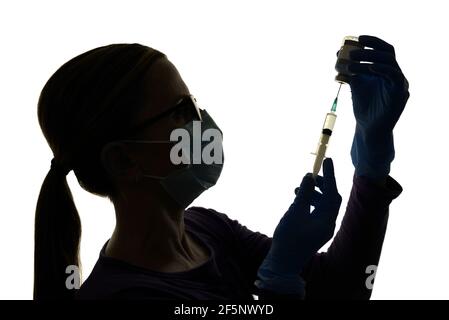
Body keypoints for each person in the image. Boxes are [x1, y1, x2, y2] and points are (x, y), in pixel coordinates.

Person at [34, 35, 408, 300]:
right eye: (180, 111)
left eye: (194, 103)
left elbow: (338, 290)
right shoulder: (121, 296)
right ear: (123, 160)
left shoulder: (207, 230)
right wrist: (278, 279)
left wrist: (372, 162)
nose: (202, 123)